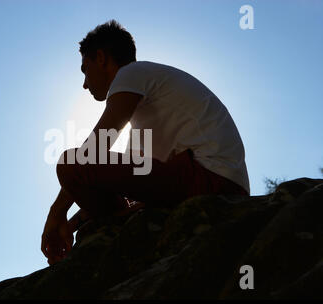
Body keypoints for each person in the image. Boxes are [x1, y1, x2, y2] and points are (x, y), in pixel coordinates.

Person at [41, 20, 250, 266]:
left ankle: (111, 228)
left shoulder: (130, 73)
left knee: (70, 163)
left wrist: (56, 214)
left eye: (85, 70)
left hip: (211, 179)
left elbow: (93, 151)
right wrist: (73, 224)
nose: (85, 83)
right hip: (214, 181)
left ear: (101, 58)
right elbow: (121, 186)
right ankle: (109, 226)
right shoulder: (144, 111)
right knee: (89, 181)